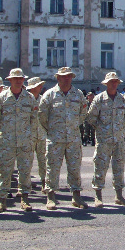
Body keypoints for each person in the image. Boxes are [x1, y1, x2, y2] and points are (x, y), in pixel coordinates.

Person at [38, 67, 88, 210]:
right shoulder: (49, 95)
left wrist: (72, 126)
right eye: (63, 76)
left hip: (73, 138)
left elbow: (83, 113)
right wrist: (52, 130)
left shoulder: (78, 94)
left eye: (69, 76)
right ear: (58, 78)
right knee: (52, 168)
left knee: (74, 168)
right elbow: (42, 116)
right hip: (55, 138)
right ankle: (51, 196)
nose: (67, 79)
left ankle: (76, 196)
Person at [0, 68, 38, 213]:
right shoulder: (2, 97)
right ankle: (2, 200)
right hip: (7, 141)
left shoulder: (29, 98)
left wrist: (27, 134)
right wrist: (5, 132)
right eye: (15, 78)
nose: (18, 81)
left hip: (25, 141)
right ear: (10, 80)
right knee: (4, 171)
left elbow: (34, 118)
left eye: (21, 78)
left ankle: (24, 199)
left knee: (25, 171)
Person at [86, 72, 125, 207]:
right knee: (100, 167)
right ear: (106, 84)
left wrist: (119, 127)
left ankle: (119, 196)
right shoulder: (99, 99)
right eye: (111, 81)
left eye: (116, 81)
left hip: (118, 140)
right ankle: (98, 196)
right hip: (103, 140)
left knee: (119, 167)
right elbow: (91, 117)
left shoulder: (123, 99)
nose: (114, 83)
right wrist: (102, 130)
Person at [26, 77, 47, 193]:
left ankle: (44, 183)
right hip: (28, 136)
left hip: (42, 135)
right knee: (26, 161)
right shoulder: (25, 100)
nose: (41, 88)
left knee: (43, 161)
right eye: (39, 86)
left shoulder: (43, 100)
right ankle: (24, 183)